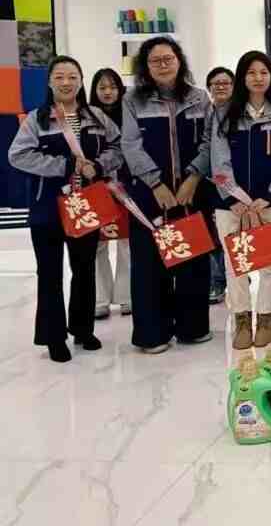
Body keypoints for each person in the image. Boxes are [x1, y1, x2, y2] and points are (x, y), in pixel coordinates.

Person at [9, 56, 122, 363]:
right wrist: (64, 166)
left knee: (84, 269)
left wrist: (99, 165)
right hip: (47, 206)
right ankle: (54, 336)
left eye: (72, 76)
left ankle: (83, 330)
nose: (66, 82)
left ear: (81, 81)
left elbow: (117, 148)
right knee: (49, 273)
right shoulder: (37, 119)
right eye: (59, 77)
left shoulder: (96, 116)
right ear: (49, 82)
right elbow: (18, 155)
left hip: (86, 204)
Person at [120, 37, 212, 354]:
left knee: (193, 259)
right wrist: (155, 183)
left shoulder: (199, 98)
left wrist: (193, 177)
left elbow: (209, 141)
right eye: (155, 60)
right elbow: (130, 144)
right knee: (149, 263)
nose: (163, 65)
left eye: (168, 58)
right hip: (150, 195)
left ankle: (192, 328)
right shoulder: (132, 100)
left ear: (179, 61)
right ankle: (153, 333)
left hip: (191, 192)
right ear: (145, 67)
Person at [210, 50, 271, 350]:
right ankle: (242, 321)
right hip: (230, 205)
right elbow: (218, 159)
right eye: (251, 72)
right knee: (236, 264)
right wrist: (232, 197)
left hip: (269, 204)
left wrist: (268, 196)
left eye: (264, 72)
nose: (258, 78)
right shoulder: (223, 113)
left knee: (269, 265)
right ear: (242, 77)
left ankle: (266, 320)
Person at [89, 67, 131, 319]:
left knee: (127, 242)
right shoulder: (85, 116)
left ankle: (127, 297)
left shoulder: (129, 113)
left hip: (126, 187)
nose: (108, 92)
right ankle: (99, 300)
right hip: (95, 188)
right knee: (97, 244)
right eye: (102, 87)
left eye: (113, 87)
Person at [203, 67, 234, 304]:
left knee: (231, 234)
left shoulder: (238, 114)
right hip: (205, 182)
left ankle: (232, 275)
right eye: (216, 83)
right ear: (209, 88)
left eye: (225, 83)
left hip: (231, 184)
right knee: (211, 235)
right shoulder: (204, 112)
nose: (221, 87)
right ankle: (217, 280)